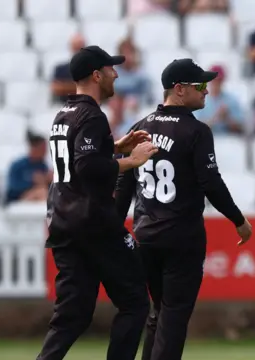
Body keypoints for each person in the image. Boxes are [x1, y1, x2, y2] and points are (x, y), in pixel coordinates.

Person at [114, 58, 253, 360]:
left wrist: (113, 231)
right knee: (173, 318)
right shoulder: (196, 131)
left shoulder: (139, 127)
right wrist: (238, 220)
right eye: (200, 85)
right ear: (179, 89)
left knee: (158, 313)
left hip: (146, 237)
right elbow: (210, 182)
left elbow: (123, 189)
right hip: (182, 239)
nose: (207, 90)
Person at [37, 45, 158, 360]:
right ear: (96, 74)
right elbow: (87, 167)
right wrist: (131, 160)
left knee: (72, 316)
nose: (116, 73)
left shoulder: (63, 114)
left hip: (63, 223)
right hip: (94, 223)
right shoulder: (93, 115)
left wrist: (114, 147)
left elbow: (78, 160)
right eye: (111, 69)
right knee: (134, 303)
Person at [6, 133, 52, 203]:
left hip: (39, 198)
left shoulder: (43, 166)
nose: (45, 152)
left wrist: (49, 180)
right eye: (42, 148)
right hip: (18, 200)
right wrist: (32, 181)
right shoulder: (18, 165)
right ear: (34, 148)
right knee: (41, 192)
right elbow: (13, 187)